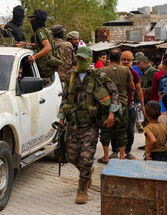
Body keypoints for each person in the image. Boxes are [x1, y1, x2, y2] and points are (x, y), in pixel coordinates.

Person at [58, 46, 119, 204]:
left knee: (85, 159)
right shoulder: (70, 76)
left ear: (90, 60)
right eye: (78, 58)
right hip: (73, 124)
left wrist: (112, 113)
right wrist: (61, 118)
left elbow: (114, 93)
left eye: (84, 59)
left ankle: (82, 188)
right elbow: (65, 97)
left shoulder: (99, 75)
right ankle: (87, 171)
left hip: (91, 125)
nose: (80, 61)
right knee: (72, 158)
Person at [99, 49, 135, 163]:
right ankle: (122, 157)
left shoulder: (102, 70)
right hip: (122, 104)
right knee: (122, 131)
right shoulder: (125, 69)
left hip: (106, 104)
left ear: (109, 57)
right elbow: (132, 86)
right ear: (120, 58)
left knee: (105, 130)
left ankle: (105, 157)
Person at [117, 50, 145, 160]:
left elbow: (138, 90)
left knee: (130, 131)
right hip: (116, 106)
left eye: (128, 60)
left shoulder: (134, 74)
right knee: (116, 130)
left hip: (129, 106)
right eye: (124, 59)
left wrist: (142, 105)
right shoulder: (115, 72)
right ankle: (115, 151)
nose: (126, 61)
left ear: (132, 61)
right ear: (120, 60)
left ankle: (128, 151)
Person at [27, 9, 61, 79]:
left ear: (37, 20)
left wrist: (34, 57)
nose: (32, 21)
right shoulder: (47, 31)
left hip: (45, 71)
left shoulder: (40, 32)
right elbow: (42, 45)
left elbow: (48, 47)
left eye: (33, 19)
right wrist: (28, 44)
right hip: (50, 69)